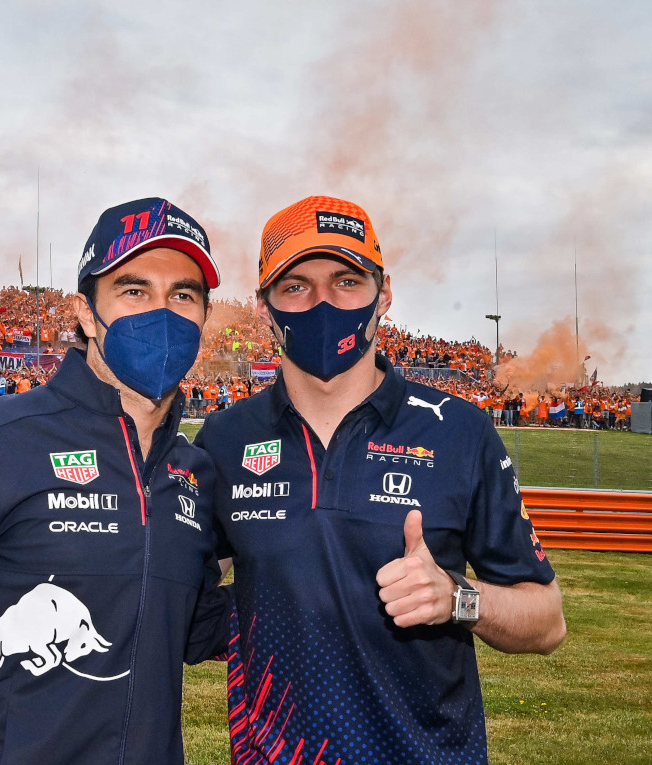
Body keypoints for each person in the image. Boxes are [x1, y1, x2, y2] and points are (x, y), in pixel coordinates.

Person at [0, 197, 230, 764]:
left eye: (183, 294)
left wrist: (330, 574)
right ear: (84, 312)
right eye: (134, 290)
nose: (163, 312)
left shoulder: (193, 473)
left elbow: (193, 629)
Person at [195, 195, 565, 764]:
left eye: (347, 280)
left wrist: (458, 598)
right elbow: (179, 591)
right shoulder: (224, 439)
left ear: (383, 293)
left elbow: (547, 620)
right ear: (264, 306)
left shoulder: (459, 432)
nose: (322, 302)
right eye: (295, 285)